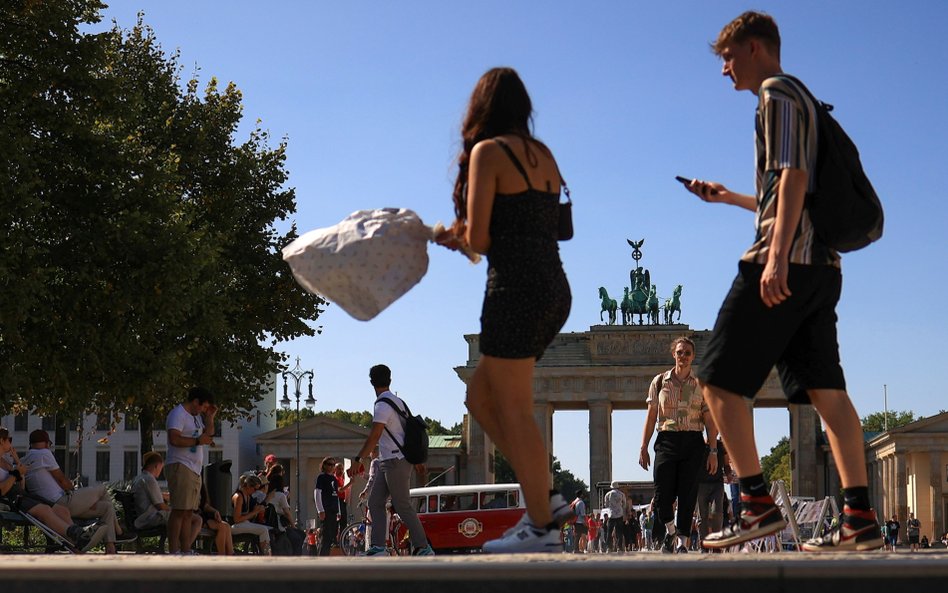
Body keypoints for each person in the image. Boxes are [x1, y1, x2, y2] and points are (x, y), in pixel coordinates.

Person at [683, 11, 884, 552]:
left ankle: (755, 506)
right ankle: (860, 518)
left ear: (754, 48)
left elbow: (792, 177)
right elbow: (787, 194)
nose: (723, 69)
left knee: (715, 377)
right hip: (821, 269)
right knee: (828, 392)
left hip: (784, 264)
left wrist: (773, 259)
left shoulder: (775, 95)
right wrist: (729, 198)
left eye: (727, 56)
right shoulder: (806, 100)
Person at [435, 67, 572, 553]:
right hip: (554, 286)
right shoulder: (544, 155)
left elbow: (478, 239)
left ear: (481, 108)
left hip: (514, 289)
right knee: (479, 398)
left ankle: (541, 527)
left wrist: (449, 236)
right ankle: (545, 499)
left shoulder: (488, 153)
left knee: (514, 409)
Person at [639, 337, 718, 554]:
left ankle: (683, 543)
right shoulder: (659, 382)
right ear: (674, 354)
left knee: (687, 493)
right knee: (662, 494)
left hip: (693, 441)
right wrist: (643, 445)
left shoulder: (702, 384)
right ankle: (670, 530)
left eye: (687, 353)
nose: (683, 356)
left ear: (693, 356)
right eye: (680, 352)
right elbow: (651, 414)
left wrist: (713, 451)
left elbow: (711, 421)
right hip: (666, 440)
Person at [347, 365, 434, 556]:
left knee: (402, 504)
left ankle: (423, 547)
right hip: (389, 461)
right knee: (376, 502)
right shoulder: (398, 402)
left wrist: (358, 459)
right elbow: (406, 432)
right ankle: (378, 547)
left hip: (395, 461)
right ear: (390, 380)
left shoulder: (382, 405)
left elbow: (374, 435)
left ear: (371, 382)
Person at [22, 428, 134, 554]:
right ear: (47, 443)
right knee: (102, 489)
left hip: (50, 504)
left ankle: (110, 547)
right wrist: (73, 490)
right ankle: (118, 531)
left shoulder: (25, 459)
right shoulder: (43, 454)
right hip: (61, 502)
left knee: (106, 507)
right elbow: (62, 480)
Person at [0, 426, 108, 552]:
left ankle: (76, 544)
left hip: (20, 495)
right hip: (8, 499)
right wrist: (16, 474)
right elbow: (2, 490)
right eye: (9, 439)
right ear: (1, 441)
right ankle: (77, 535)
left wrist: (18, 468)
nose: (11, 442)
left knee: (62, 510)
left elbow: (20, 484)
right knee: (45, 509)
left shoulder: (5, 461)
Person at [165, 386, 217, 554]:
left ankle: (185, 550)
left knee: (188, 511)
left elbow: (208, 435)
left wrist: (210, 417)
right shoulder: (178, 414)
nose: (203, 409)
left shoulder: (197, 417)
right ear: (195, 401)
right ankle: (173, 551)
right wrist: (196, 441)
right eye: (203, 406)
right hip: (180, 465)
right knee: (179, 510)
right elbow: (174, 439)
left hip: (194, 468)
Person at [695, 439, 727, 551]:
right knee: (702, 516)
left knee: (717, 513)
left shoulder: (720, 446)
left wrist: (728, 473)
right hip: (701, 484)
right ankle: (704, 544)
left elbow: (726, 461)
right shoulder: (698, 444)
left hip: (717, 484)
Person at [231, 473, 271, 555]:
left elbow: (246, 516)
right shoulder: (239, 497)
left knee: (267, 529)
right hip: (234, 526)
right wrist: (254, 512)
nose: (256, 491)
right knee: (263, 530)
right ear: (248, 486)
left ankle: (266, 553)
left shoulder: (248, 496)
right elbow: (237, 519)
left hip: (243, 524)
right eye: (255, 489)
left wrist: (257, 510)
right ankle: (267, 555)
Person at [266, 473, 304, 555]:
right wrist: (293, 525)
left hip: (269, 523)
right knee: (298, 537)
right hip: (279, 525)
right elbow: (287, 513)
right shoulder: (280, 495)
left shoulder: (267, 495)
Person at [198, 480, 233, 555]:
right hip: (195, 516)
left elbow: (205, 505)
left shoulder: (201, 485)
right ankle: (222, 554)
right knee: (222, 526)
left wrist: (215, 511)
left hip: (203, 515)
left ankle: (230, 553)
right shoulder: (190, 485)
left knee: (226, 525)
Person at [314, 456, 339, 556]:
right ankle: (321, 558)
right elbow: (317, 493)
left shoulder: (334, 479)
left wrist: (339, 512)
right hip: (326, 510)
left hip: (333, 510)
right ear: (324, 465)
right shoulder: (322, 477)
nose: (332, 466)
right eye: (329, 464)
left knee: (331, 537)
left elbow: (336, 496)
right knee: (325, 536)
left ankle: (326, 556)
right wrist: (320, 510)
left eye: (333, 465)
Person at [602, 483, 626, 553]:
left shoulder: (608, 494)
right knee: (619, 532)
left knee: (609, 532)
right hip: (619, 514)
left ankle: (609, 548)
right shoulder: (622, 494)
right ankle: (619, 548)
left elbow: (606, 504)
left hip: (611, 515)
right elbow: (624, 504)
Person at [570, 489, 588, 553]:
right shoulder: (581, 502)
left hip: (575, 520)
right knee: (581, 536)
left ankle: (576, 549)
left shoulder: (574, 501)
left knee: (577, 536)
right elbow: (583, 514)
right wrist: (585, 522)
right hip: (580, 521)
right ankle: (577, 549)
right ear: (581, 494)